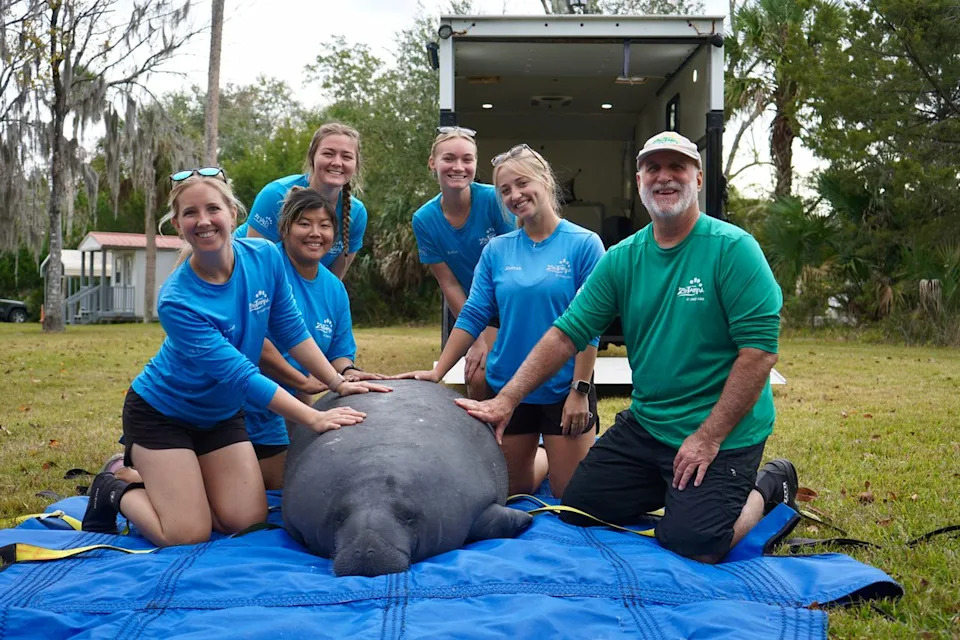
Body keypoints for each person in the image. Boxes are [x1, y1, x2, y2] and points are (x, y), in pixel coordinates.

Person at [456, 131, 798, 564]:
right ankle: (679, 489)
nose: (664, 177)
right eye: (653, 168)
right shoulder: (623, 258)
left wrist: (708, 438)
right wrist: (506, 399)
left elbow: (760, 353)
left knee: (695, 542)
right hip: (650, 425)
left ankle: (768, 484)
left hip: (721, 433)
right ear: (639, 182)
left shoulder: (733, 249)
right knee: (578, 507)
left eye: (677, 167)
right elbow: (566, 333)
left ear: (697, 178)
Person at [81, 168, 389, 547]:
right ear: (177, 225)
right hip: (163, 416)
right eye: (190, 213)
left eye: (213, 209)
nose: (204, 220)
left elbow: (292, 330)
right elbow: (242, 376)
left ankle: (175, 482)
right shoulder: (176, 300)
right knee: (186, 533)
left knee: (245, 520)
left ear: (232, 213)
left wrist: (337, 382)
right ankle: (115, 488)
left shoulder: (265, 257)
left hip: (220, 415)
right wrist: (313, 418)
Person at [397, 144, 604, 498]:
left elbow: (592, 325)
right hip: (508, 387)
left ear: (545, 180)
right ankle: (544, 456)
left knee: (570, 495)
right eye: (505, 190)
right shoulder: (497, 250)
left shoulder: (584, 244)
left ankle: (556, 458)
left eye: (522, 183)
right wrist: (438, 371)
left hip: (563, 388)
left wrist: (580, 390)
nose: (515, 195)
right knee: (511, 490)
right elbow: (474, 313)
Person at [246, 187, 385, 489]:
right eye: (304, 223)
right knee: (244, 499)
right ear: (285, 228)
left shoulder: (334, 288)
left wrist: (349, 373)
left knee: (290, 489)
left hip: (293, 412)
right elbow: (255, 343)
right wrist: (301, 381)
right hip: (246, 405)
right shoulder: (264, 267)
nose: (315, 233)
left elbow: (338, 353)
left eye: (324, 225)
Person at [411, 127, 515, 399]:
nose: (458, 167)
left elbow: (516, 264)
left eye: (467, 159)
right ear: (432, 163)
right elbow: (449, 284)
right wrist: (476, 339)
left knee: (500, 372)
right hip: (473, 307)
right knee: (477, 377)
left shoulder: (493, 200)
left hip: (511, 300)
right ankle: (482, 426)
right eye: (449, 158)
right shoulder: (424, 219)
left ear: (475, 164)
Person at [234, 122, 368, 279]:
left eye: (346, 156)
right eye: (328, 154)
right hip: (240, 272)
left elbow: (332, 282)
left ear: (356, 165)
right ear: (312, 157)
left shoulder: (356, 213)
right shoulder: (275, 195)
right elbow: (253, 266)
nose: (337, 162)